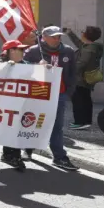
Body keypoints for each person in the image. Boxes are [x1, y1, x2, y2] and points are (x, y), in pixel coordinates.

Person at [24, 26, 79, 171]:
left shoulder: (68, 51)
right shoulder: (33, 51)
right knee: (35, 121)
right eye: (54, 36)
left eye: (59, 36)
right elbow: (22, 69)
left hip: (59, 94)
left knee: (56, 126)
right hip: (38, 93)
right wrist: (36, 66)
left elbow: (73, 72)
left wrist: (69, 92)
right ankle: (28, 148)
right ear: (44, 37)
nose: (57, 39)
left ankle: (59, 157)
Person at [0, 40, 30, 172]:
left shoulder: (26, 65)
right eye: (20, 50)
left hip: (21, 103)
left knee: (17, 129)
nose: (23, 52)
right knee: (10, 128)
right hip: (4, 104)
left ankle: (11, 155)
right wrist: (4, 69)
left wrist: (45, 68)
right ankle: (11, 155)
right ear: (10, 51)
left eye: (23, 50)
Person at [65, 26, 104, 129]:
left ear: (86, 35)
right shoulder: (90, 47)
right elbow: (79, 43)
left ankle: (79, 122)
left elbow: (82, 63)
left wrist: (70, 70)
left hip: (80, 78)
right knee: (85, 99)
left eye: (83, 32)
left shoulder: (88, 49)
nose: (82, 33)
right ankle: (86, 121)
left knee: (78, 100)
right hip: (86, 78)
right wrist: (70, 33)